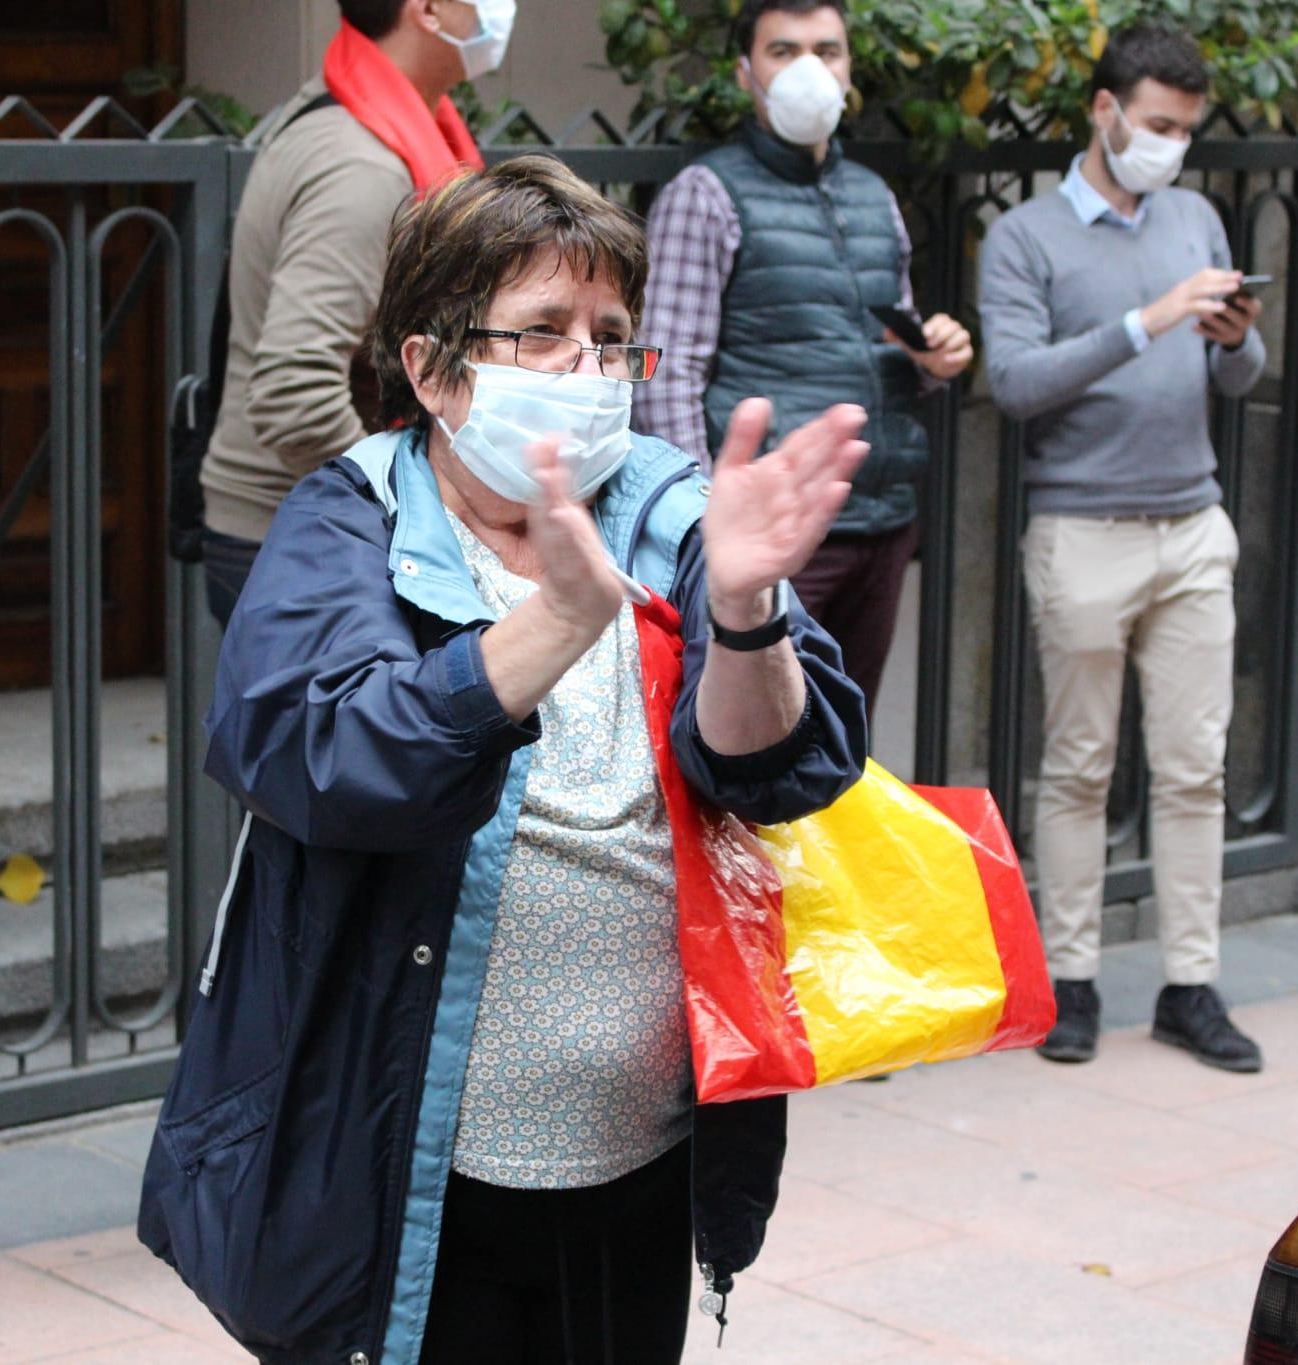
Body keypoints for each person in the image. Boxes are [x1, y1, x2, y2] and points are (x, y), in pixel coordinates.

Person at [139, 155, 871, 1365]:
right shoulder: (351, 514)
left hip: (639, 1152)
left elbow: (781, 771)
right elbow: (310, 751)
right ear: (429, 369)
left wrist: (745, 614)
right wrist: (550, 625)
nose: (589, 367)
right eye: (542, 332)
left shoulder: (677, 508)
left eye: (611, 334)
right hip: (411, 1169)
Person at [978, 24, 1268, 1073]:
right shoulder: (1024, 238)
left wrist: (1235, 340)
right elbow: (1010, 384)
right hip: (1081, 529)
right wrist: (1146, 322)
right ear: (1102, 111)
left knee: (1194, 769)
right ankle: (1072, 983)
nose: (1170, 145)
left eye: (1184, 130)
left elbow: (1235, 378)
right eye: (1154, 124)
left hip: (1191, 523)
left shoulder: (1192, 215)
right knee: (1078, 769)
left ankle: (1191, 987)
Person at [635, 0, 974, 719]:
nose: (809, 70)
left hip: (879, 520)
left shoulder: (872, 196)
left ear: (850, 69)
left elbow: (890, 349)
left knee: (843, 745)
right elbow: (667, 378)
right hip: (774, 535)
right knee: (758, 740)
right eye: (784, 51)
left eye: (828, 50)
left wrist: (932, 357)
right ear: (745, 72)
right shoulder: (707, 193)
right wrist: (704, 530)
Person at [196, 0, 515, 626]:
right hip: (303, 542)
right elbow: (293, 392)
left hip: (309, 532)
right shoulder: (363, 165)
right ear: (426, 11)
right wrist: (412, 519)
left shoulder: (363, 117)